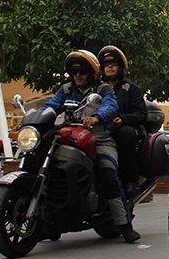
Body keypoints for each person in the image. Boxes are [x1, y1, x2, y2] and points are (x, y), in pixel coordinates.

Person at [41, 50, 140, 243]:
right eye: (74, 71)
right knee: (46, 166)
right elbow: (51, 105)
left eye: (82, 71)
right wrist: (36, 117)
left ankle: (124, 224)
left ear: (91, 73)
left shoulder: (103, 89)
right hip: (68, 137)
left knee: (108, 173)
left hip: (99, 138)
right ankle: (48, 221)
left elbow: (110, 106)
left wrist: (97, 117)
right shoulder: (66, 89)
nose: (78, 75)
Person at [98, 45, 147, 197]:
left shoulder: (130, 88)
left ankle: (130, 180)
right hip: (99, 128)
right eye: (106, 64)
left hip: (122, 128)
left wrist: (123, 119)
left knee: (126, 134)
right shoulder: (96, 88)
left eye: (114, 63)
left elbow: (141, 114)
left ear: (121, 67)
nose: (110, 66)